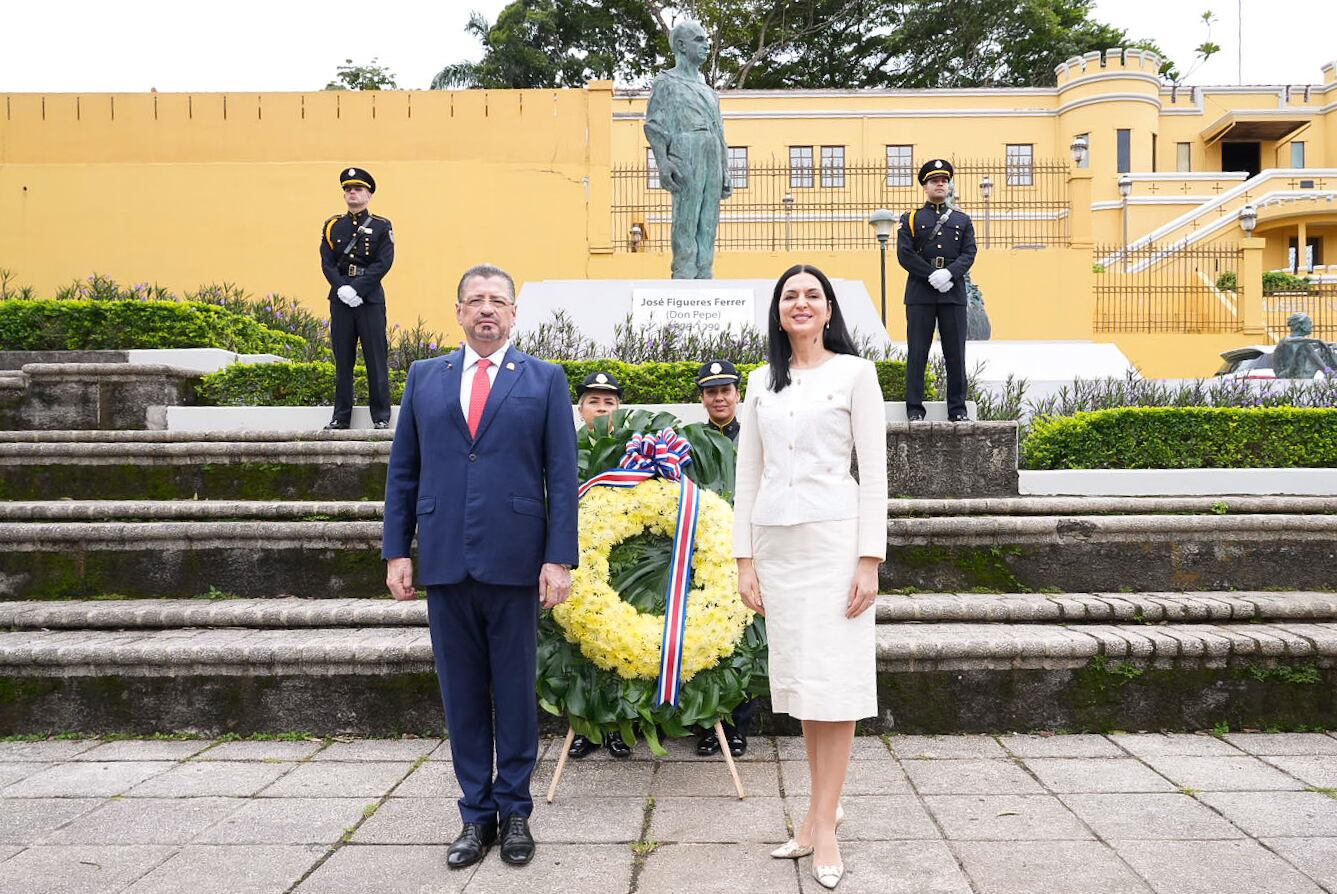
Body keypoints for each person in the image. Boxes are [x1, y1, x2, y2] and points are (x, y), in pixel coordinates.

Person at [383, 263, 578, 870]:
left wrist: (559, 558)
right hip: (443, 560)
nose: (486, 310)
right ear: (459, 311)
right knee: (461, 694)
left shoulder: (544, 380)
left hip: (516, 561)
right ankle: (475, 815)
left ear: (514, 314)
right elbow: (404, 472)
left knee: (516, 693)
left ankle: (515, 809)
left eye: (498, 301)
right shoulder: (425, 378)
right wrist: (397, 550)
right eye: (476, 301)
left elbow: (562, 477)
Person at [733, 264, 887, 890]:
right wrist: (745, 560)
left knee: (837, 683)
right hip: (779, 548)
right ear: (778, 312)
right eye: (790, 296)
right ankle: (820, 808)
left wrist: (869, 560)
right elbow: (747, 476)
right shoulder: (760, 383)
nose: (801, 304)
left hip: (836, 545)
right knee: (802, 685)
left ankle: (822, 823)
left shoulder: (855, 374)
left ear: (828, 311)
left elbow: (874, 473)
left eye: (812, 296)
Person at [692, 358, 754, 757]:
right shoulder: (690, 442)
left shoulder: (752, 438)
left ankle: (737, 726)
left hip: (745, 550)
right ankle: (705, 725)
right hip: (702, 554)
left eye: (725, 390)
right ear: (702, 398)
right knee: (703, 636)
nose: (719, 398)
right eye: (711, 391)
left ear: (737, 395)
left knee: (744, 640)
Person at [643, 20, 732, 279]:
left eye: (706, 40)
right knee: (687, 216)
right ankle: (683, 271)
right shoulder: (666, 82)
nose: (706, 45)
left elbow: (720, 131)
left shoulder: (709, 91)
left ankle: (704, 271)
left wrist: (725, 169)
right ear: (681, 45)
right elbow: (654, 125)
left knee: (708, 220)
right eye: (699, 39)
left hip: (711, 151)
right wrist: (663, 162)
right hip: (685, 147)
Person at [896, 159, 976, 422]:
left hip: (953, 292)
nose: (940, 184)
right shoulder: (911, 219)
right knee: (918, 352)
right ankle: (915, 409)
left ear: (949, 185)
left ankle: (958, 410)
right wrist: (931, 274)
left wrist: (949, 274)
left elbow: (969, 253)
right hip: (921, 291)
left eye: (943, 180)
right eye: (934, 181)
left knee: (955, 354)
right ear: (925, 186)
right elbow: (905, 255)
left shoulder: (962, 220)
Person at [321, 167, 395, 430]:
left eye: (358, 189)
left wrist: (358, 289)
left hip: (370, 298)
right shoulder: (332, 225)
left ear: (369, 194)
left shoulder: (381, 226)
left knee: (375, 357)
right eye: (348, 189)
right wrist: (341, 288)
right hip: (340, 299)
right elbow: (327, 262)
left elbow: (384, 262)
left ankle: (381, 416)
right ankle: (341, 417)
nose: (353, 193)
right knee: (343, 360)